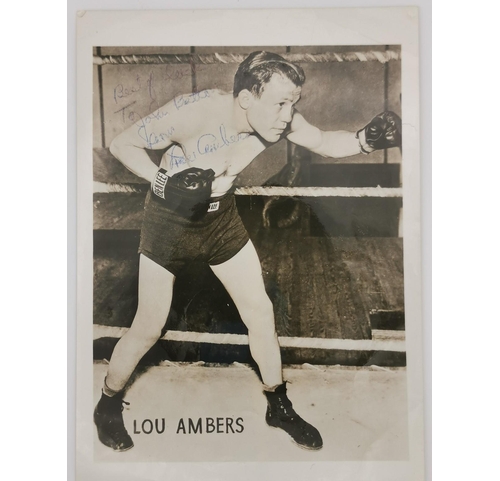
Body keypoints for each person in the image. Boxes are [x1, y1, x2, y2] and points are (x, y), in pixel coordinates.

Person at [94, 51, 402, 452]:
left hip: (221, 221)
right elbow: (123, 143)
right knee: (149, 325)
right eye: (279, 103)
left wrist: (365, 140)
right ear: (246, 99)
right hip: (169, 221)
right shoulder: (196, 112)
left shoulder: (278, 119)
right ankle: (107, 403)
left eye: (293, 103)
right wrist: (164, 180)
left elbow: (326, 142)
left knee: (260, 312)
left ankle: (278, 403)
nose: (286, 114)